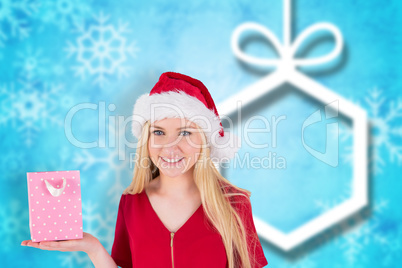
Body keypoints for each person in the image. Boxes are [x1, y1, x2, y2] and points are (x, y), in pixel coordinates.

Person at [21, 72, 268, 268]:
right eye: (159, 132)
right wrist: (92, 247)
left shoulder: (233, 204)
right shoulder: (132, 202)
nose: (170, 148)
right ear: (145, 141)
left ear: (204, 141)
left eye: (185, 133)